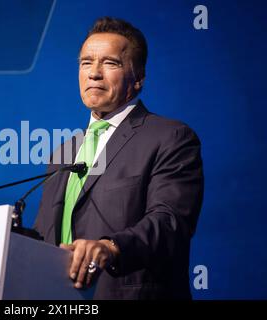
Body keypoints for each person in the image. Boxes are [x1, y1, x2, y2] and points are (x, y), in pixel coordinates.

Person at [33, 17, 204, 300]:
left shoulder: (171, 137)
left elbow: (170, 222)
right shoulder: (62, 153)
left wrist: (111, 247)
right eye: (86, 63)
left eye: (110, 63)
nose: (94, 73)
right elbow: (45, 237)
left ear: (138, 78)